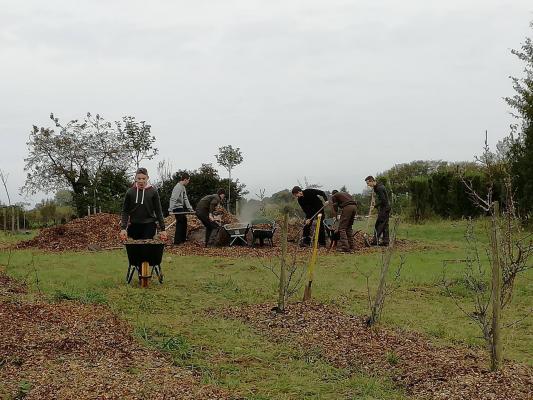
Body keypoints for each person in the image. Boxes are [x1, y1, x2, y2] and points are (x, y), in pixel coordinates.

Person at [119, 167, 167, 241]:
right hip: (134, 225)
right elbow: (125, 211)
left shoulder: (153, 192)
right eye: (139, 178)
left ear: (147, 178)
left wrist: (163, 229)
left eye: (143, 178)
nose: (141, 181)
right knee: (134, 250)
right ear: (135, 178)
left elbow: (158, 210)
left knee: (147, 250)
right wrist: (123, 228)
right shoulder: (130, 192)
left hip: (149, 224)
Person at [168, 173, 193, 245]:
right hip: (177, 208)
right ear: (185, 179)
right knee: (180, 222)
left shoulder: (183, 187)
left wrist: (190, 208)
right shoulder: (178, 187)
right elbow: (173, 198)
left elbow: (185, 199)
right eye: (188, 180)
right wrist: (170, 209)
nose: (188, 182)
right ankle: (177, 242)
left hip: (180, 207)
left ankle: (182, 240)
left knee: (184, 220)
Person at [365, 176, 390, 246]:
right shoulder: (377, 187)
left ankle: (375, 241)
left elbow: (384, 200)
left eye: (368, 183)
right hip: (385, 208)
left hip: (384, 208)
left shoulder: (379, 188)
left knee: (379, 224)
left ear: (371, 181)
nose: (368, 185)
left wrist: (375, 206)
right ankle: (386, 241)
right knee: (385, 225)